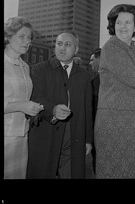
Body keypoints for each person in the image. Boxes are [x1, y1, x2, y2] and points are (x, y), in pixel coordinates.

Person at [94, 4, 135, 178]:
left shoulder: (129, 48)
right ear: (113, 25)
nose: (122, 27)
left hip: (130, 116)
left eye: (128, 22)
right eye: (119, 22)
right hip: (118, 118)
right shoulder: (113, 47)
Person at [26, 30, 93, 179]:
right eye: (59, 44)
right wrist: (53, 109)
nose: (62, 48)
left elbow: (88, 109)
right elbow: (36, 97)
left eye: (68, 44)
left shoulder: (83, 75)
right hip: (46, 134)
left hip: (74, 136)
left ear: (76, 50)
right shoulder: (39, 69)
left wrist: (88, 139)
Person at [4, 17, 44, 179]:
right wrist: (21, 105)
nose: (27, 41)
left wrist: (32, 109)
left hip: (22, 137)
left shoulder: (25, 66)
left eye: (29, 37)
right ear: (8, 37)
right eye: (22, 36)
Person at [88, 47, 101, 174]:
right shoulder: (94, 81)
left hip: (99, 131)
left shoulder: (96, 82)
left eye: (92, 60)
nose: (90, 63)